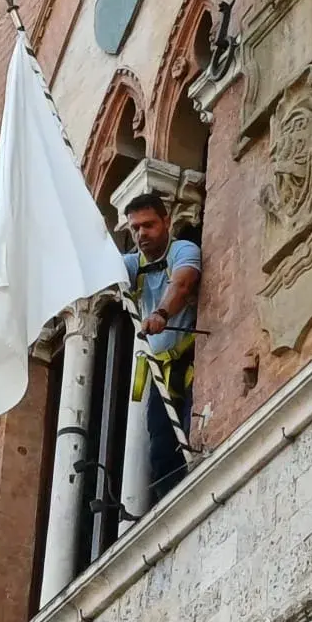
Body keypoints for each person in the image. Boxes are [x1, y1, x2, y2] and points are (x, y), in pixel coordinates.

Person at [123, 192, 200, 501]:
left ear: (166, 221)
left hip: (189, 359)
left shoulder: (183, 249)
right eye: (135, 229)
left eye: (149, 225)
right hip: (159, 368)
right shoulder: (131, 265)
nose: (142, 234)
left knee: (189, 427)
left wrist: (161, 313)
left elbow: (182, 283)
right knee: (160, 447)